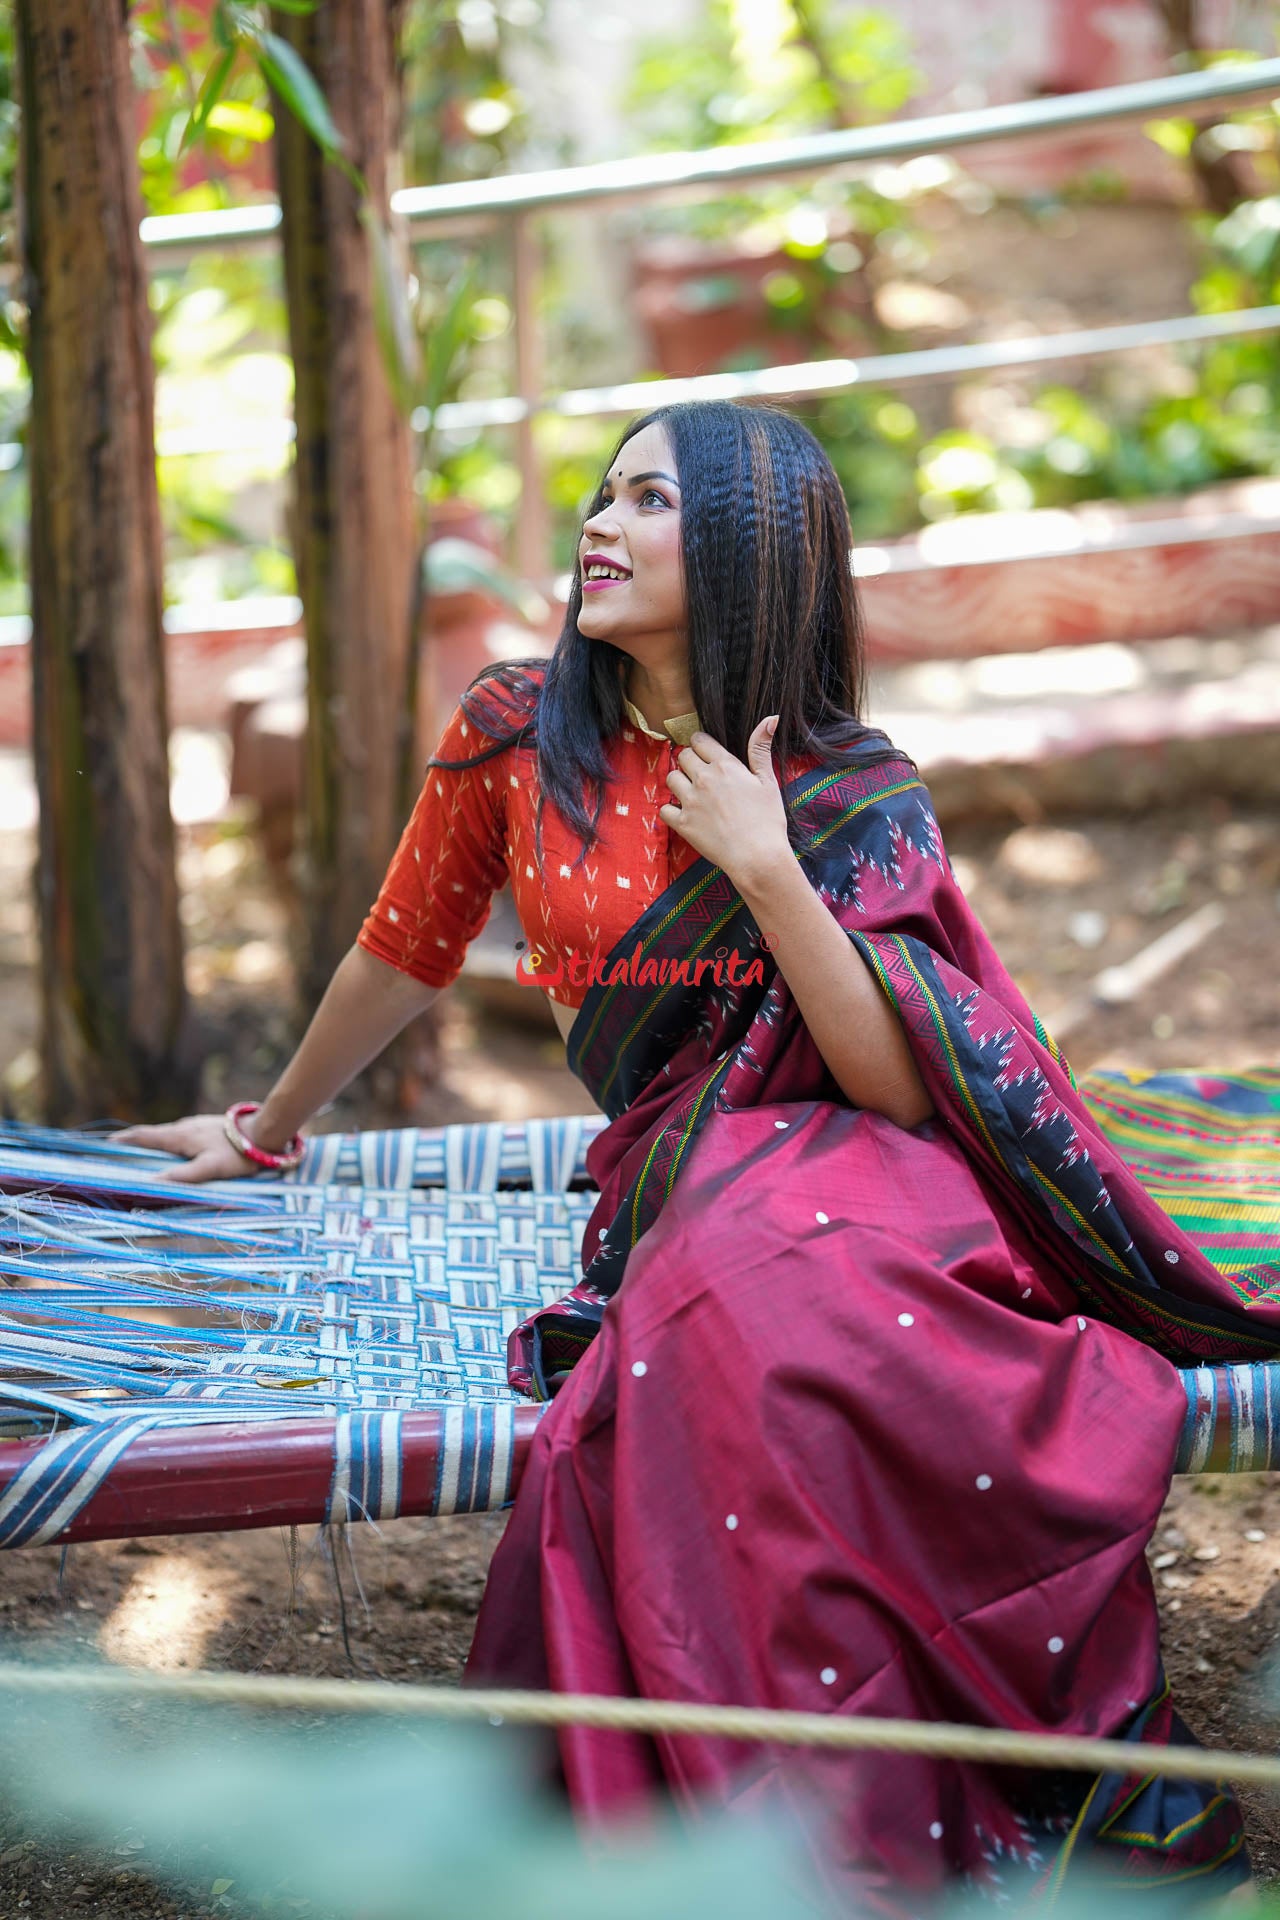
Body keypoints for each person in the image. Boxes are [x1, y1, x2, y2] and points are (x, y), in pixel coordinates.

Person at [117, 401, 1271, 1914]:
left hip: (867, 1172)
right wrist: (264, 1130)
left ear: (744, 547)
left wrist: (765, 861)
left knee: (790, 1320)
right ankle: (766, 1809)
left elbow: (897, 1089)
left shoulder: (848, 782)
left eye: (647, 501)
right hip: (692, 1178)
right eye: (601, 496)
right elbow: (405, 949)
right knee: (723, 1306)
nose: (597, 524)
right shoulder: (518, 730)